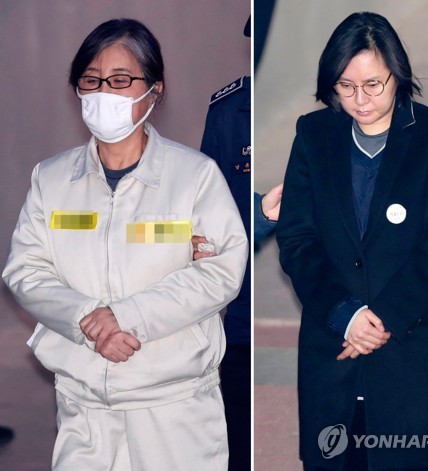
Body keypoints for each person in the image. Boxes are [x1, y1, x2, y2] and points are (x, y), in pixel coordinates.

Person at [2, 18, 247, 470]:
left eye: (119, 80)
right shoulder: (51, 180)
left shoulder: (194, 177)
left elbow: (221, 271)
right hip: (84, 407)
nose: (103, 94)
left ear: (154, 90)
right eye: (91, 80)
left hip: (174, 408)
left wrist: (126, 317)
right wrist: (88, 321)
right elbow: (25, 271)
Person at [276, 11, 428, 471]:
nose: (360, 99)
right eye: (345, 86)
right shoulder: (313, 134)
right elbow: (297, 240)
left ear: (397, 74)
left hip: (414, 346)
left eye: (373, 84)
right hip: (334, 345)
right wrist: (345, 315)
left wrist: (378, 321)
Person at [199, 17, 251, 470]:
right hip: (243, 307)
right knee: (238, 432)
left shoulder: (343, 106)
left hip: (325, 297)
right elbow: (205, 209)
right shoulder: (228, 111)